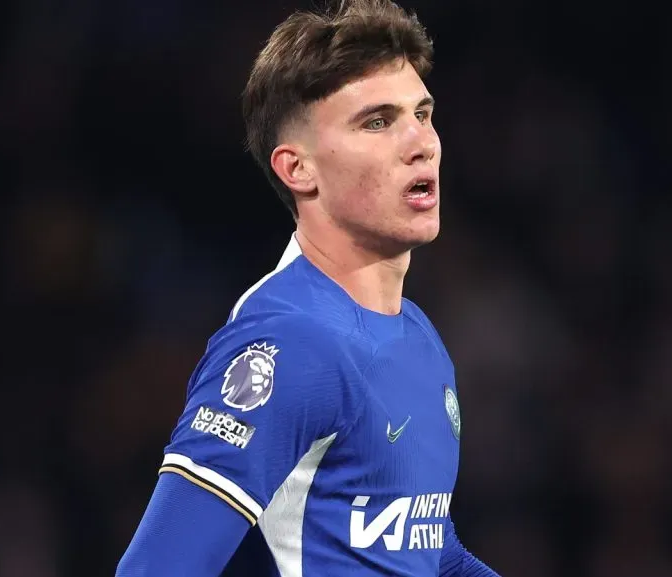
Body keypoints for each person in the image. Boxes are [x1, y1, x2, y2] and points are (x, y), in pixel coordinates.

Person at [116, 0, 499, 575]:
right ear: (298, 169)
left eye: (422, 114)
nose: (421, 142)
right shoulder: (290, 342)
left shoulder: (418, 336)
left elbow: (426, 553)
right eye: (377, 122)